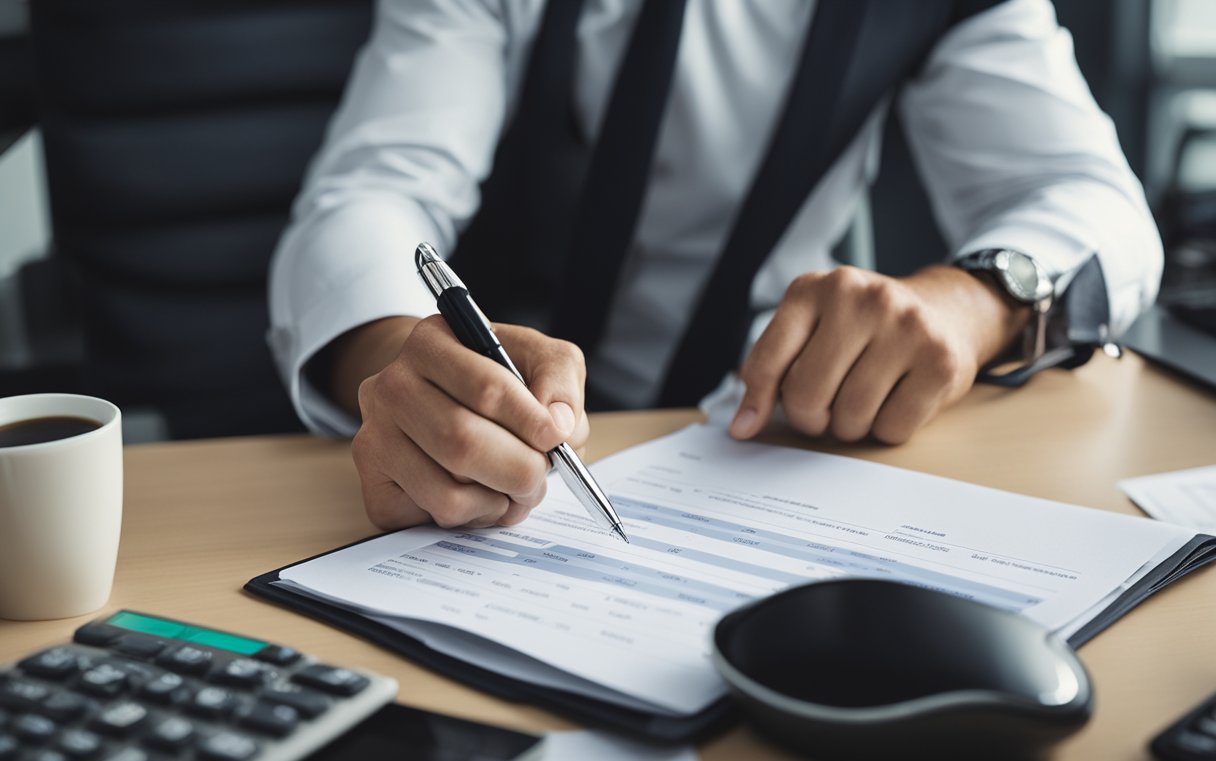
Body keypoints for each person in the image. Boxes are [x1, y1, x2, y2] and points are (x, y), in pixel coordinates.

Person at [268, 0, 1162, 532]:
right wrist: (398, 361)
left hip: (764, 434)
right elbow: (373, 192)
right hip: (488, 450)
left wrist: (971, 303)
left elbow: (1095, 201)